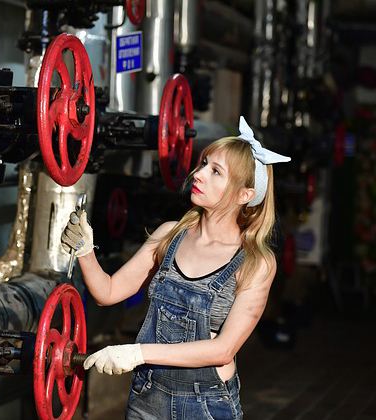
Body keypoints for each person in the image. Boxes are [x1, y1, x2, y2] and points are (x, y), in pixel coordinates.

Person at [61, 117, 291, 419]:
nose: (199, 174)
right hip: (148, 395)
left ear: (243, 195)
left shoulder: (254, 263)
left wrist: (137, 352)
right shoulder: (169, 235)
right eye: (204, 163)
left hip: (205, 404)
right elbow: (108, 292)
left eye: (215, 172)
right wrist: (85, 250)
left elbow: (223, 349)